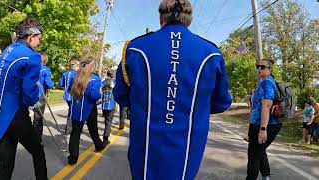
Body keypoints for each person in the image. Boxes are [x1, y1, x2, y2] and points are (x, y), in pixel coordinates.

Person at [113, 0, 232, 179]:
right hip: (190, 141)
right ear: (189, 20)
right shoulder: (211, 52)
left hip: (145, 141)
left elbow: (121, 95)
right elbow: (222, 102)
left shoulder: (136, 47)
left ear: (161, 18)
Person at [0, 16, 47, 180]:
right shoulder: (32, 56)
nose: (39, 42)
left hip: (1, 112)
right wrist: (35, 95)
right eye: (38, 38)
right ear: (31, 36)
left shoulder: (8, 50)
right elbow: (28, 97)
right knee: (38, 152)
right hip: (15, 113)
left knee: (5, 163)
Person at [246, 59, 282, 180]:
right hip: (261, 124)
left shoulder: (266, 82)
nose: (259, 69)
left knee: (254, 154)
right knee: (260, 150)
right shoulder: (268, 82)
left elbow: (266, 106)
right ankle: (266, 176)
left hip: (263, 125)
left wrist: (262, 129)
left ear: (270, 69)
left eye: (262, 66)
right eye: (258, 66)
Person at [67, 59, 105, 165]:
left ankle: (73, 158)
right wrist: (99, 94)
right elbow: (94, 96)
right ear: (92, 67)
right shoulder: (95, 78)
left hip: (76, 107)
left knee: (75, 132)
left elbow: (69, 89)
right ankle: (99, 145)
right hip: (89, 108)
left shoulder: (75, 76)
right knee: (93, 129)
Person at [33, 52, 54, 141]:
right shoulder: (45, 69)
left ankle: (33, 137)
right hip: (39, 96)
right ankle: (37, 139)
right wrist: (52, 84)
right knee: (38, 118)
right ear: (45, 60)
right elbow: (49, 84)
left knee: (34, 117)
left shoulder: (32, 68)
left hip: (30, 94)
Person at [58, 60, 80, 134]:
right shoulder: (77, 74)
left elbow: (60, 84)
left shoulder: (65, 73)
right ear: (75, 66)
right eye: (78, 66)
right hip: (74, 96)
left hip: (67, 96)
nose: (79, 67)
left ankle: (70, 129)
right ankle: (69, 130)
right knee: (73, 112)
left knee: (72, 110)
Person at [101, 71, 116, 145]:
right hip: (111, 104)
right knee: (108, 122)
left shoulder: (103, 82)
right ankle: (105, 139)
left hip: (104, 104)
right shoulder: (114, 82)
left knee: (106, 121)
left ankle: (106, 134)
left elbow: (100, 91)